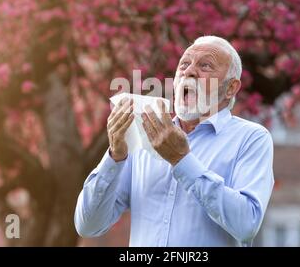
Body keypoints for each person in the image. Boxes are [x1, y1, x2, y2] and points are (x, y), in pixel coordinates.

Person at [74, 35, 274, 246]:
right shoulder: (143, 138)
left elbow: (246, 224)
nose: (189, 71)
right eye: (184, 64)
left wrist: (182, 160)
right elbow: (88, 225)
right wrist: (115, 157)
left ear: (231, 88)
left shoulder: (251, 139)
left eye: (205, 66)